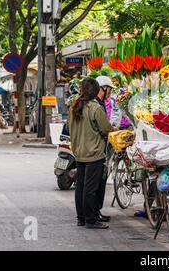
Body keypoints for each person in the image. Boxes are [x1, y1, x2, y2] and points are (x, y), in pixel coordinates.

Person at [67, 78, 114, 229]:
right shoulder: (95, 108)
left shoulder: (74, 107)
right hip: (94, 154)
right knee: (90, 188)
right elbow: (106, 129)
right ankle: (91, 220)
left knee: (80, 186)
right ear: (95, 91)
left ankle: (81, 218)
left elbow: (69, 128)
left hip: (79, 153)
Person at [94, 76, 118, 223]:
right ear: (102, 88)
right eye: (109, 89)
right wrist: (112, 128)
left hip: (97, 148)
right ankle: (94, 213)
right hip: (97, 149)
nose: (110, 92)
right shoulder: (97, 105)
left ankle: (95, 212)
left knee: (98, 183)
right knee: (98, 183)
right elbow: (103, 128)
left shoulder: (99, 103)